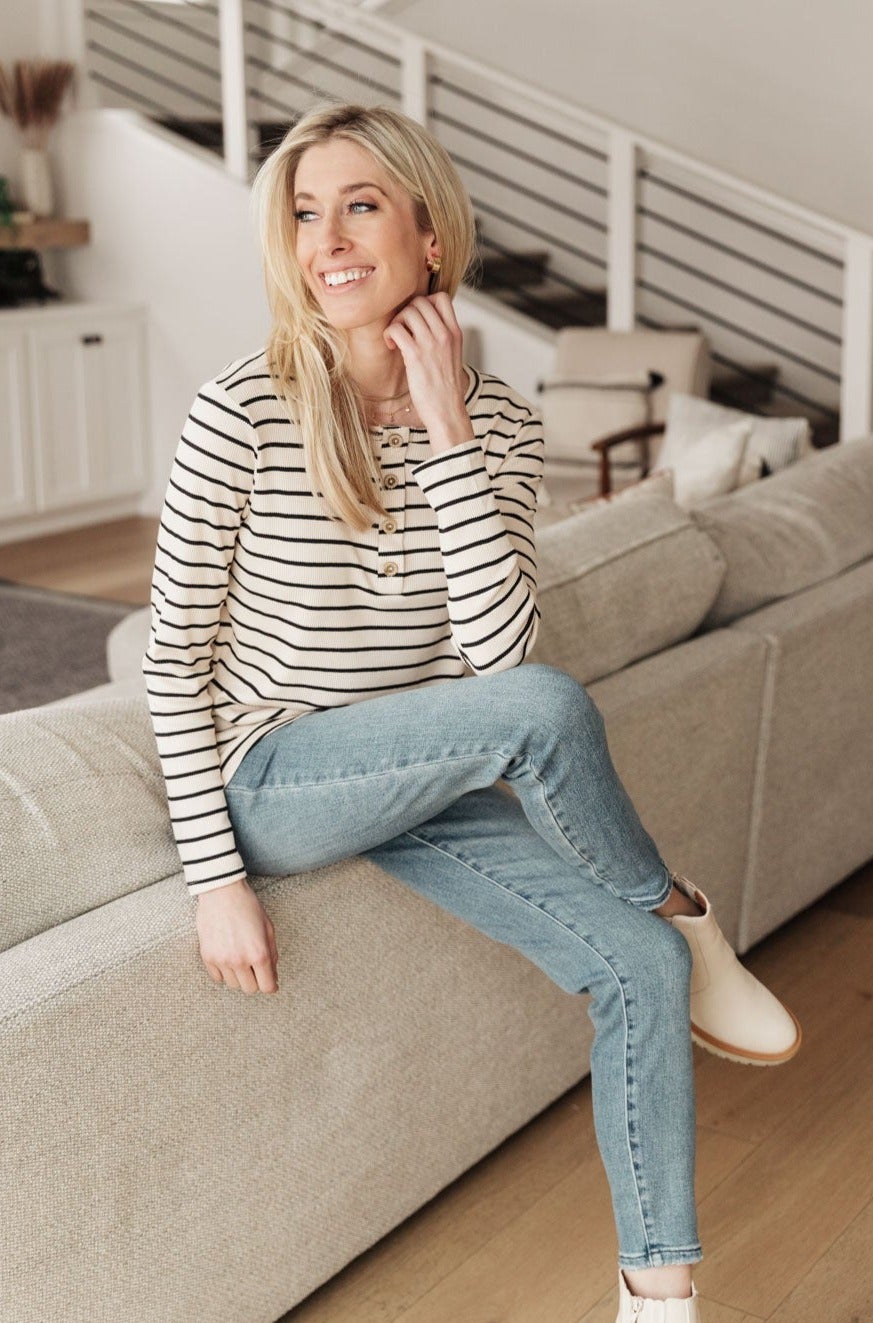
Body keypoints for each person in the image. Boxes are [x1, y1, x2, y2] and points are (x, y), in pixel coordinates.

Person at [142, 102, 802, 1323]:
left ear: (430, 235)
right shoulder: (241, 408)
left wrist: (446, 426)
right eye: (305, 213)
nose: (329, 240)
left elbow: (494, 654)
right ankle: (683, 907)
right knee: (546, 715)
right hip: (277, 776)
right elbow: (172, 659)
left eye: (361, 206)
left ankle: (660, 1295)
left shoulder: (499, 422)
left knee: (639, 970)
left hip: (426, 764)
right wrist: (213, 877)